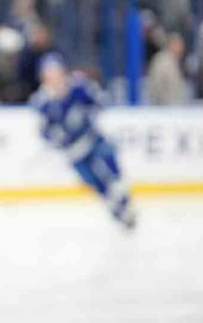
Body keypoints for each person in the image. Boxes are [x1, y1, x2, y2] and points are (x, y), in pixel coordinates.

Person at [30, 53, 136, 230]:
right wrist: (56, 135)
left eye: (55, 71)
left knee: (111, 166)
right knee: (96, 184)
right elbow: (44, 131)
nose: (53, 76)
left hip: (92, 139)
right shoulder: (42, 101)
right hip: (74, 152)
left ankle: (124, 202)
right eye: (48, 72)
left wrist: (87, 112)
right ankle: (117, 211)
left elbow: (102, 101)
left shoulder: (79, 87)